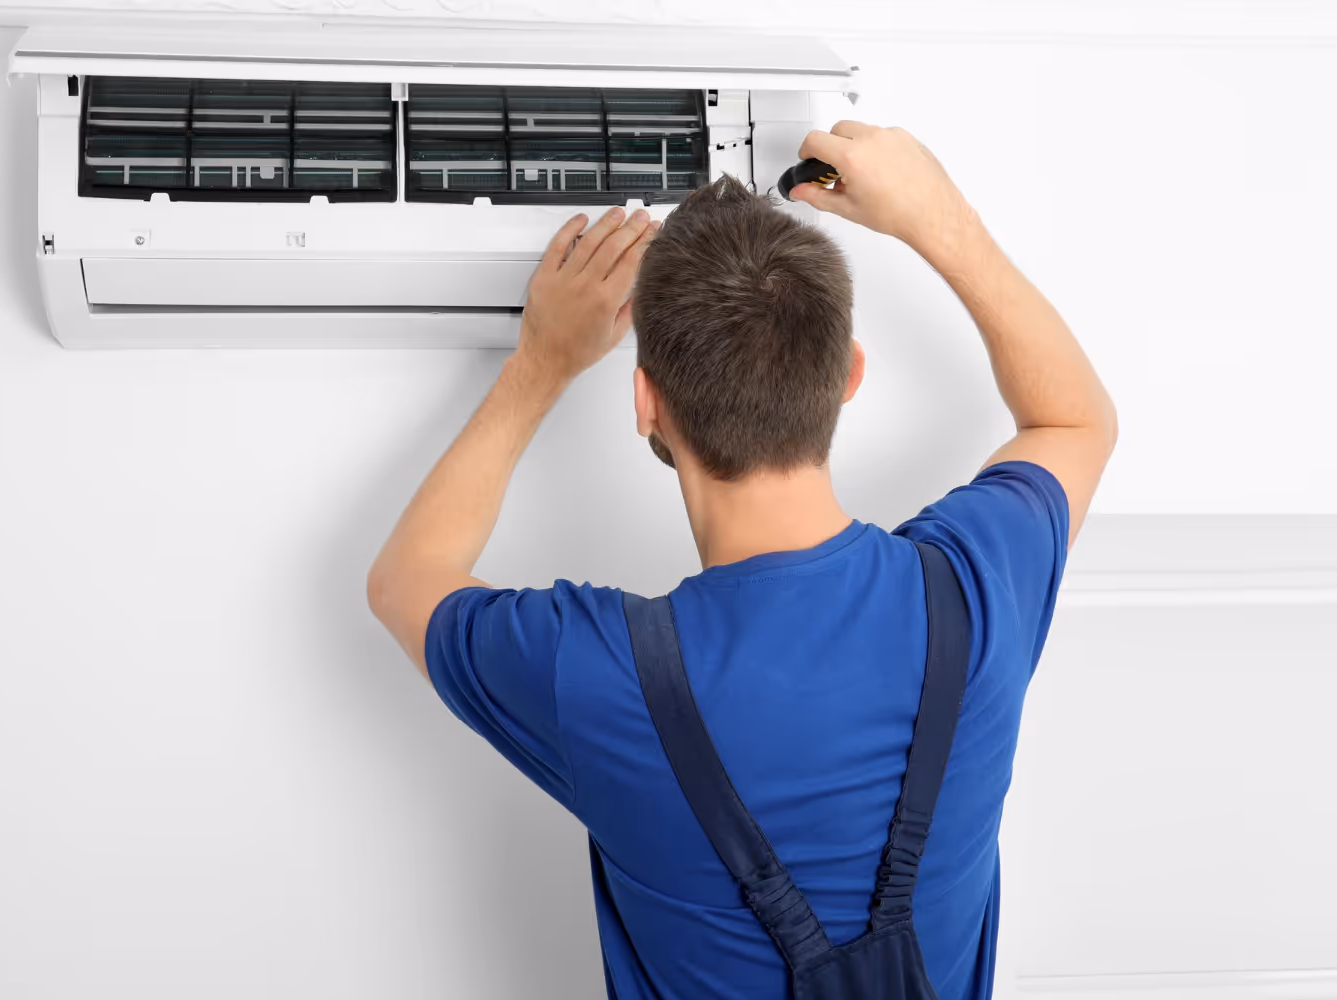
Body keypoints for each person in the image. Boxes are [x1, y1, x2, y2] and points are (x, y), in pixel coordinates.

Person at [367, 120, 1117, 1000]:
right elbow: (1074, 421)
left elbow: (406, 576)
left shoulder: (599, 676)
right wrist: (934, 216)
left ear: (646, 402)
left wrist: (544, 360)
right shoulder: (976, 596)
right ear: (849, 373)